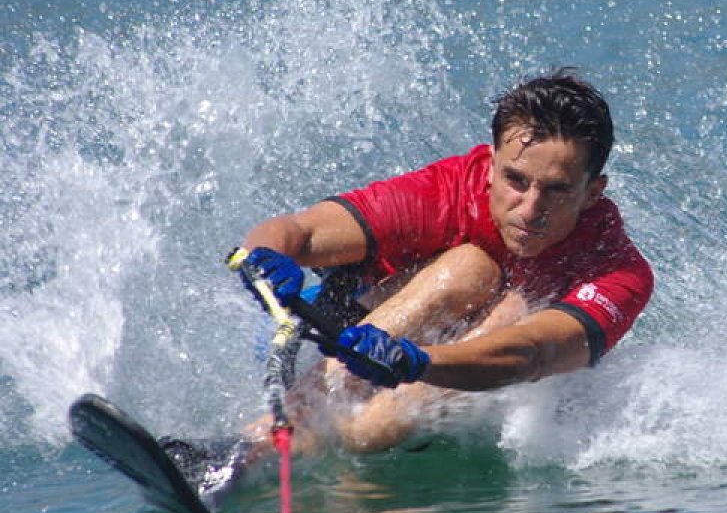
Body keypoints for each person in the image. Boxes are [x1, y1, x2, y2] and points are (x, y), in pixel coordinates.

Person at [235, 69, 654, 454]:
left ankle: (322, 444)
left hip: (435, 370)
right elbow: (299, 231)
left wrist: (415, 361)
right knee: (472, 268)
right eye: (516, 180)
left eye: (557, 190)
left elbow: (532, 355)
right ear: (491, 167)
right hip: (331, 338)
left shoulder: (618, 271)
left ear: (593, 192)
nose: (529, 209)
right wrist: (268, 257)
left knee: (515, 307)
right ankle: (256, 446)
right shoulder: (448, 191)